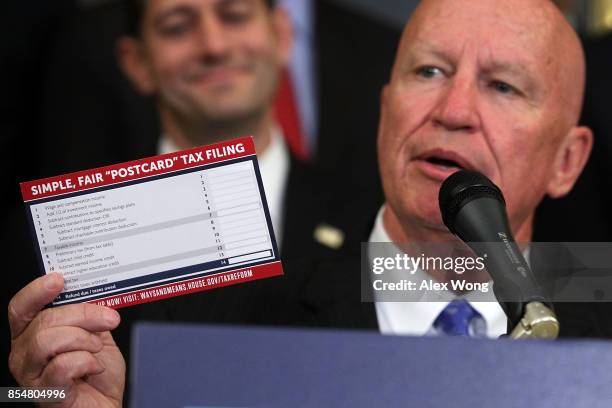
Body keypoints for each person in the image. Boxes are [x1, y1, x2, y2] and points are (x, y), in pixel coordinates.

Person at [8, 0, 610, 405]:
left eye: (502, 86)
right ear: (384, 108)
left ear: (568, 161)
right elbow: (18, 397)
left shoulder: (601, 334)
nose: (452, 111)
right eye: (428, 72)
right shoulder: (216, 325)